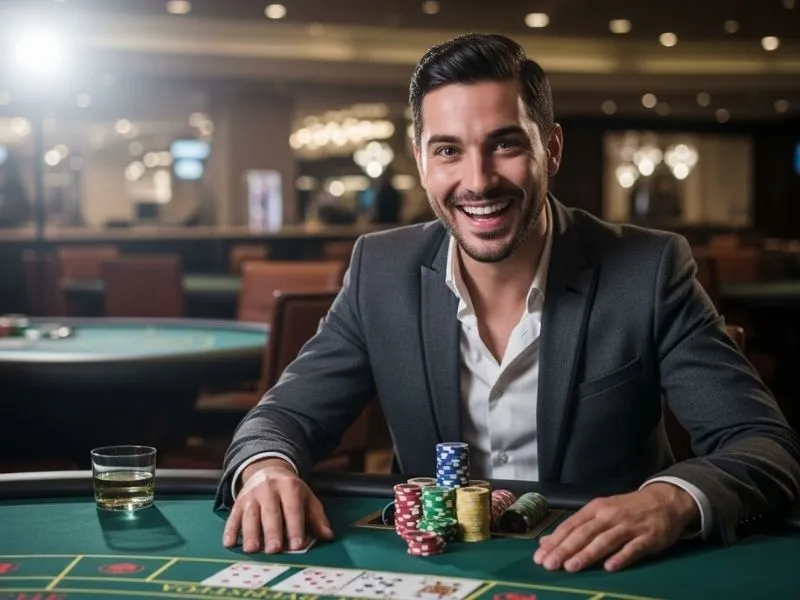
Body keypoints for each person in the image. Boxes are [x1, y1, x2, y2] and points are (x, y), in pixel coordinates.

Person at [215, 33, 800, 573]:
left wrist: (671, 500)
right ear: (420, 160)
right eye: (448, 150)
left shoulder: (647, 270)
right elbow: (283, 418)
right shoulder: (381, 271)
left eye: (505, 144)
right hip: (435, 572)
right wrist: (265, 470)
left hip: (602, 572)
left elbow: (764, 445)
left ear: (552, 148)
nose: (478, 180)